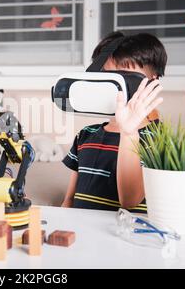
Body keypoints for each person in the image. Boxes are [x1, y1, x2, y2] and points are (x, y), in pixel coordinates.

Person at [61, 31, 167, 212]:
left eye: (125, 79)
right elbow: (70, 199)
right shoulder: (86, 134)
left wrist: (129, 132)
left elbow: (130, 201)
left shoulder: (157, 139)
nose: (115, 89)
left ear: (152, 82)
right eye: (107, 78)